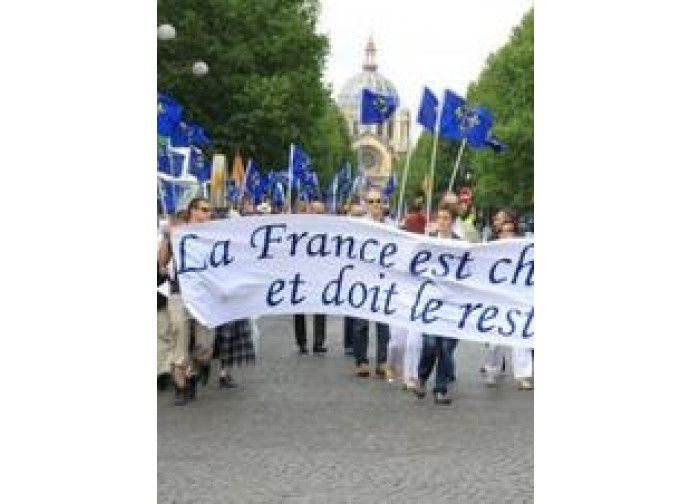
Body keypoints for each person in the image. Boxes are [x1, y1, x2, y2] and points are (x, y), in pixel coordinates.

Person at [157, 197, 216, 406]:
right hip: (179, 293)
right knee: (179, 339)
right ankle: (181, 387)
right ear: (192, 211)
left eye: (209, 211)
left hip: (204, 296)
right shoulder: (178, 233)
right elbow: (162, 263)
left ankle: (193, 371)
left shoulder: (214, 235)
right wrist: (166, 238)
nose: (207, 214)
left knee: (204, 346)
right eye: (203, 210)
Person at [414, 202, 461, 404]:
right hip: (430, 303)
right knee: (431, 344)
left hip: (452, 304)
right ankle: (422, 377)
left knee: (446, 348)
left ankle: (440, 389)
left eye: (446, 218)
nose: (442, 222)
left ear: (453, 221)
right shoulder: (427, 242)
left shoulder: (462, 246)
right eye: (439, 218)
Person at [483, 208, 534, 390]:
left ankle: (523, 375)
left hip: (518, 297)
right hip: (497, 298)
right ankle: (492, 371)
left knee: (520, 336)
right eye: (504, 228)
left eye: (510, 228)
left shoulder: (524, 246)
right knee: (495, 339)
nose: (507, 232)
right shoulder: (491, 247)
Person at [351, 189, 391, 378]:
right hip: (363, 279)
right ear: (366, 204)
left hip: (384, 280)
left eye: (378, 201)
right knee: (361, 323)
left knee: (384, 323)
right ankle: (361, 361)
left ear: (383, 204)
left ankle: (382, 361)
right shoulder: (359, 226)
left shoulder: (391, 226)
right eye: (371, 201)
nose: (375, 204)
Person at [293, 200, 327, 354]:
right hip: (300, 273)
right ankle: (302, 342)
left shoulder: (329, 230)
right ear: (310, 211)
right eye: (317, 212)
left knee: (320, 308)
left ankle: (318, 342)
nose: (319, 215)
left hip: (320, 273)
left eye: (322, 213)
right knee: (299, 308)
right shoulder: (299, 228)